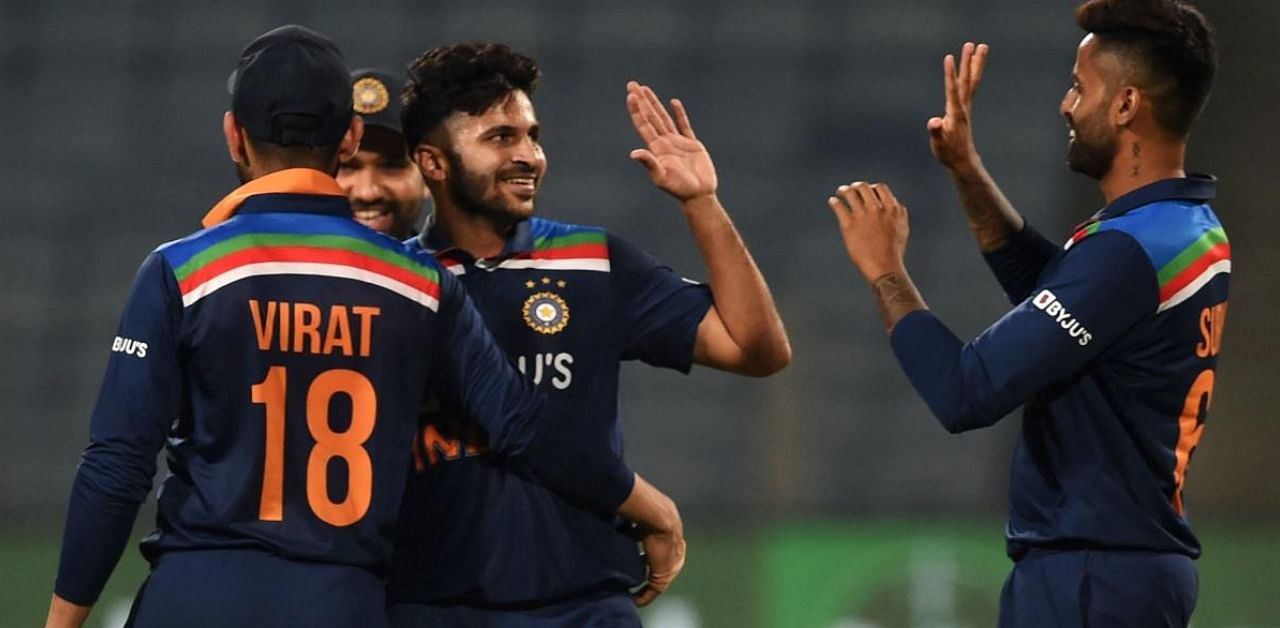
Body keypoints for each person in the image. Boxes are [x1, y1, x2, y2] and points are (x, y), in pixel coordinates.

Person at [44, 26, 683, 628]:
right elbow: (521, 425)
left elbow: (117, 467)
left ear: (235, 136)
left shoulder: (182, 270)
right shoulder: (423, 284)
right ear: (349, 139)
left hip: (199, 589)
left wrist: (64, 619)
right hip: (342, 599)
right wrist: (644, 503)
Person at [828, 1, 1223, 626]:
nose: (1067, 105)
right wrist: (966, 169)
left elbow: (966, 391)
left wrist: (885, 270)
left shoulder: (1125, 252)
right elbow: (1061, 297)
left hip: (1090, 581)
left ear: (1125, 105)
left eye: (1078, 87)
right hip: (1126, 570)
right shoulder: (1183, 228)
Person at [386, 43, 791, 626]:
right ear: (433, 162)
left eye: (532, 135)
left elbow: (758, 350)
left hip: (583, 604)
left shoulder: (590, 261)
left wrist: (701, 203)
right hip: (433, 605)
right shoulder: (395, 282)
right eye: (500, 137)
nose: (528, 155)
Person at [337, 68, 430, 239]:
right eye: (345, 166)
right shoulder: (276, 265)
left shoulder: (450, 266)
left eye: (392, 167)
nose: (367, 193)